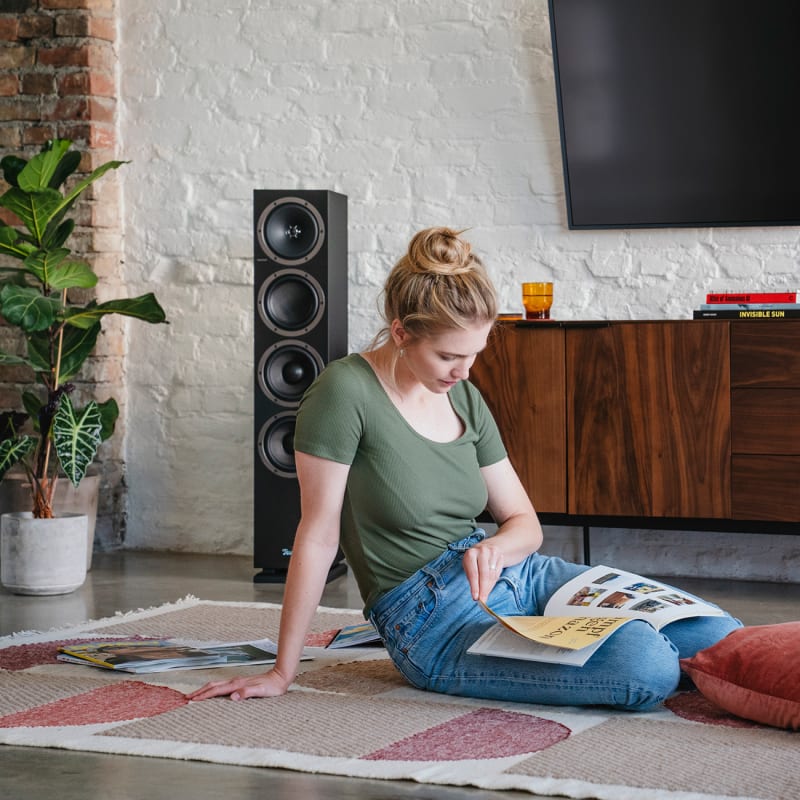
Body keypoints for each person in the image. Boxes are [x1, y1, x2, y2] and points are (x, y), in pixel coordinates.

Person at [188, 227, 741, 710]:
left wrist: (496, 548)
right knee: (646, 665)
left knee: (718, 634)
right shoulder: (344, 391)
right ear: (401, 333)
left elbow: (524, 523)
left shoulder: (465, 399)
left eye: (473, 354)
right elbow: (317, 535)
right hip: (428, 614)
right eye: (448, 356)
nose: (464, 371)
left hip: (516, 574)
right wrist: (282, 671)